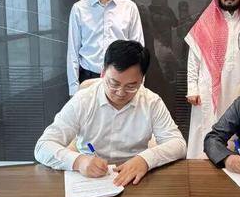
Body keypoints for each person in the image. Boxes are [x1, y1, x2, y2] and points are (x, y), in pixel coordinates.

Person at [36, 40, 186, 186]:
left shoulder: (151, 102)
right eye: (114, 83)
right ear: (102, 73)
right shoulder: (83, 100)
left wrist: (145, 160)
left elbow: (178, 144)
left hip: (134, 176)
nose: (121, 92)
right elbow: (43, 146)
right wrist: (79, 161)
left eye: (131, 86)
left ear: (142, 80)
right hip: (90, 178)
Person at [184, 0, 240, 159]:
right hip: (207, 89)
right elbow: (193, 58)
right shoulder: (206, 22)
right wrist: (192, 88)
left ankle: (230, 164)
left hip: (237, 88)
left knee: (234, 128)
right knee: (206, 128)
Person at [67, 0, 144, 95]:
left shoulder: (130, 8)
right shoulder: (79, 9)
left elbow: (139, 50)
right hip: (88, 78)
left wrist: (139, 87)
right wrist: (73, 90)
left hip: (122, 80)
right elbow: (73, 53)